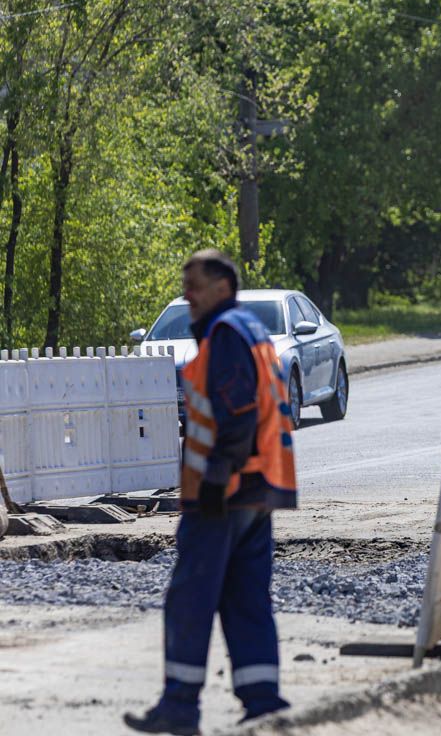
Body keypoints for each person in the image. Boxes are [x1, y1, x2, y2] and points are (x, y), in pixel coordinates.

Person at [125, 249, 297, 735]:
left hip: (225, 491)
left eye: (194, 284)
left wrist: (218, 476)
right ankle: (263, 701)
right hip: (261, 489)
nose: (187, 294)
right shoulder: (250, 331)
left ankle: (180, 708)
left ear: (222, 288)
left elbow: (238, 412)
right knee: (246, 598)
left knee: (191, 597)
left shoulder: (224, 336)